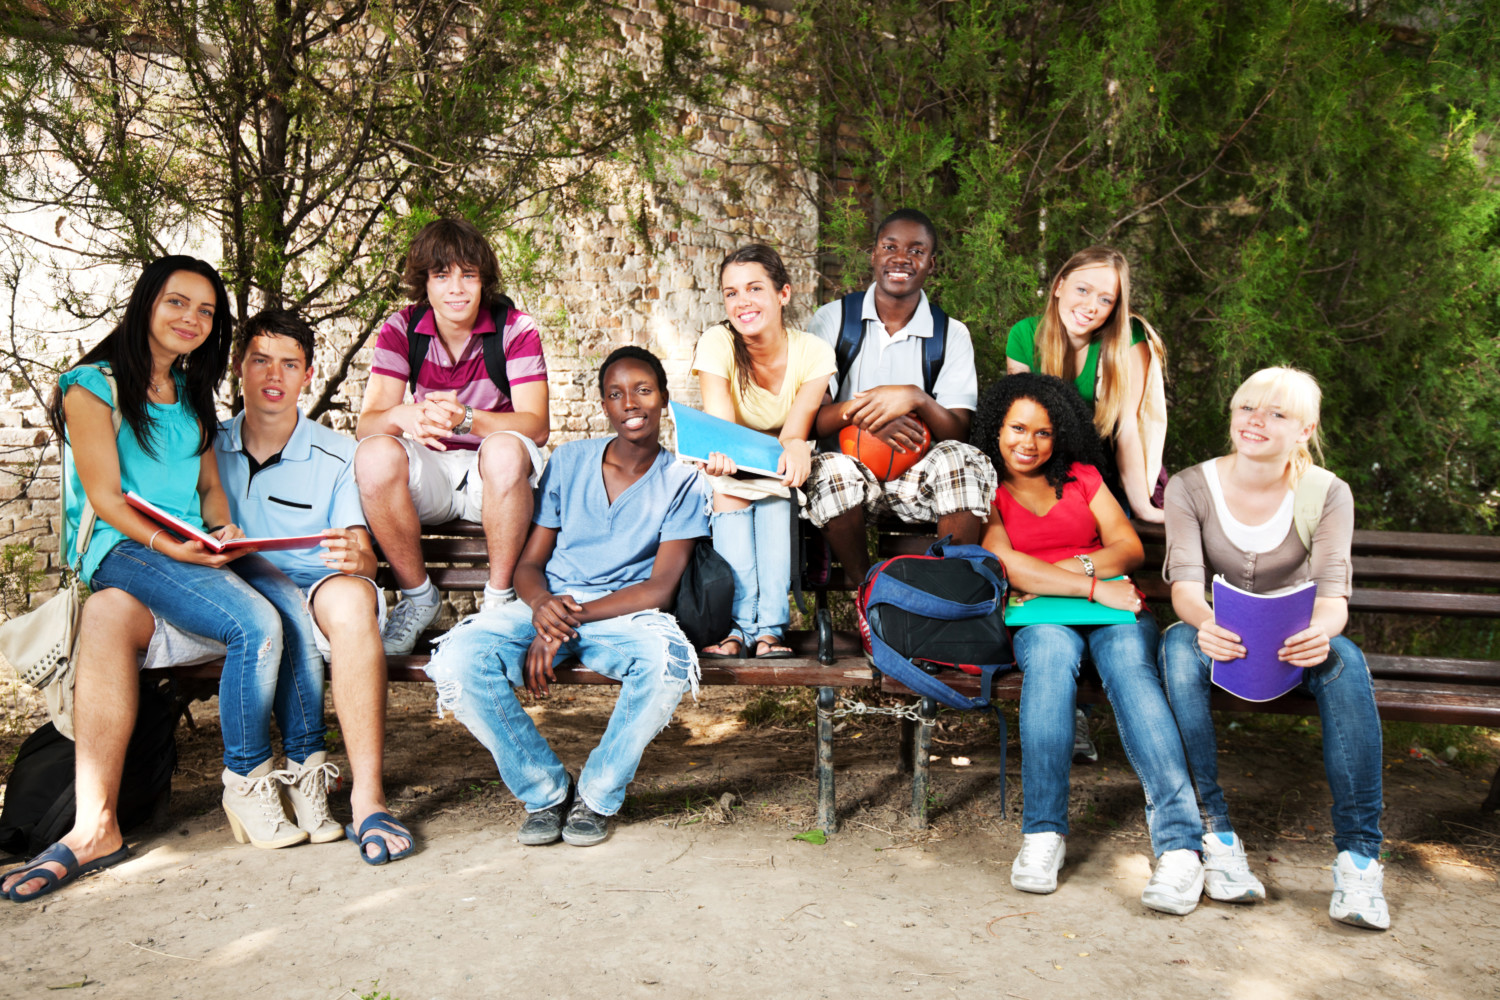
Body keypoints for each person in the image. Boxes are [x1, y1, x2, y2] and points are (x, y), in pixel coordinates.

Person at [1, 256, 292, 901]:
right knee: (256, 624)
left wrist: (221, 529)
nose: (192, 318)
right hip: (127, 548)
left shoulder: (191, 393)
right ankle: (247, 785)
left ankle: (96, 826)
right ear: (146, 305)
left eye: (206, 311)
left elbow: (211, 488)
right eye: (177, 302)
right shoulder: (90, 384)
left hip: (188, 552)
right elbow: (104, 497)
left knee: (118, 619)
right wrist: (170, 545)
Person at [150, 309, 411, 863]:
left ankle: (366, 796)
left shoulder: (339, 454)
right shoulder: (201, 443)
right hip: (225, 592)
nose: (274, 375)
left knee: (350, 598)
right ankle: (241, 785)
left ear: (308, 375)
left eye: (289, 364)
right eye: (260, 360)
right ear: (238, 368)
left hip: (314, 590)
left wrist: (362, 554)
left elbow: (359, 552)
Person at [425, 346, 709, 847]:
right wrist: (541, 609)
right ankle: (546, 791)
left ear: (663, 398)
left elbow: (659, 588)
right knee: (458, 661)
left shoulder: (681, 478)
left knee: (667, 664)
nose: (631, 403)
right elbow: (530, 565)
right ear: (603, 404)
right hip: (549, 604)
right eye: (616, 394)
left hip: (624, 613)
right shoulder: (572, 461)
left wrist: (565, 622)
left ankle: (597, 796)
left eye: (643, 390)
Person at [1158, 366, 1387, 929]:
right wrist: (1206, 623)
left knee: (1347, 662)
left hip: (1294, 645)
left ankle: (1359, 861)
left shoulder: (1328, 493)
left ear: (1304, 429)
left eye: (1276, 413)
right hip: (1222, 638)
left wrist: (1322, 632)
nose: (1255, 421)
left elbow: (1334, 596)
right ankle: (1216, 835)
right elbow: (1185, 586)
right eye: (1246, 408)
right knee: (1177, 645)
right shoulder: (1192, 486)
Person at [974, 372, 1206, 915]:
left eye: (1043, 432)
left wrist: (1056, 573)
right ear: (996, 428)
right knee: (1051, 662)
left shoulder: (1080, 476)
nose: (1027, 443)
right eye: (1017, 429)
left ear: (1061, 436)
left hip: (1113, 609)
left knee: (1131, 671)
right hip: (1054, 617)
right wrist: (1092, 585)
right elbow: (1004, 564)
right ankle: (1043, 834)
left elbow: (1128, 548)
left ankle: (1180, 848)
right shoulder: (984, 486)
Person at [355, 218, 550, 654]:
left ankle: (498, 602)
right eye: (442, 276)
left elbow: (536, 425)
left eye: (468, 275)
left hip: (497, 477)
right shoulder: (402, 328)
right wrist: (404, 413)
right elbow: (366, 424)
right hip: (433, 472)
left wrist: (467, 419)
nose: (456, 288)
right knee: (374, 454)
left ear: (484, 281)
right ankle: (419, 598)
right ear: (423, 282)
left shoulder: (515, 329)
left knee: (502, 450)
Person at [804, 208, 996, 583]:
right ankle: (867, 590)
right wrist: (871, 410)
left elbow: (959, 430)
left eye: (917, 250)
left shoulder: (951, 334)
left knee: (963, 458)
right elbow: (811, 419)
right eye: (890, 246)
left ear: (931, 263)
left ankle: (952, 588)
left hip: (918, 478)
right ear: (873, 254)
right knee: (827, 467)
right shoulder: (833, 319)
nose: (902, 258)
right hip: (849, 480)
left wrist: (914, 397)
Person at [692, 244, 835, 658]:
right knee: (729, 488)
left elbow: (795, 431)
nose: (742, 302)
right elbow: (723, 429)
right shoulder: (717, 342)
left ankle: (770, 630)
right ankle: (735, 628)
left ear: (783, 294)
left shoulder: (813, 352)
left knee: (779, 488)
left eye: (755, 288)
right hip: (729, 458)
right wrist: (727, 457)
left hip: (778, 459)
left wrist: (795, 449)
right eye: (731, 293)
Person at [1005, 245, 1168, 523]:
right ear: (1059, 286)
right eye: (1083, 290)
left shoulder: (1127, 341)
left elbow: (1127, 428)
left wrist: (1142, 507)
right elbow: (1020, 424)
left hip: (1106, 473)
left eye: (1105, 300)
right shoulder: (1025, 334)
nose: (1091, 306)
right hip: (1043, 467)